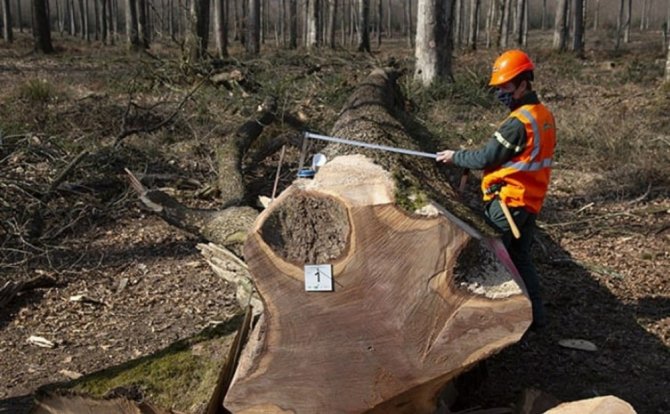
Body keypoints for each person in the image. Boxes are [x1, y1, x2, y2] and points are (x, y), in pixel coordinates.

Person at [436, 50, 556, 330]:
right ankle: (536, 318)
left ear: (523, 84)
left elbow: (487, 158)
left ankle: (493, 321)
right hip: (530, 201)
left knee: (486, 258)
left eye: (505, 86)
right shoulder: (544, 115)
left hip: (508, 203)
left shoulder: (519, 122)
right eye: (498, 87)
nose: (500, 92)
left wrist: (455, 156)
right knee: (521, 259)